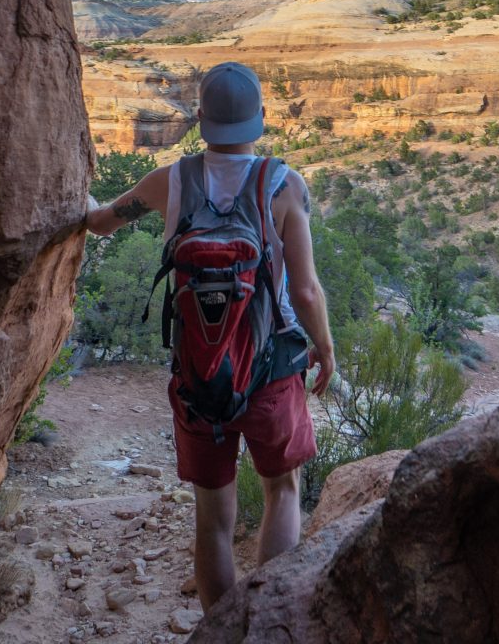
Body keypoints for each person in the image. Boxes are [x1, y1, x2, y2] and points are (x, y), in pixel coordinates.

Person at [84, 61, 335, 611]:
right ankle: (268, 621)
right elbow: (307, 291)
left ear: (199, 118)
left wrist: (80, 206)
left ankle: (220, 629)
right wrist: (325, 346)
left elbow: (102, 221)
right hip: (272, 372)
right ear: (260, 119)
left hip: (199, 378)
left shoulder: (170, 180)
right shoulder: (284, 184)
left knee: (213, 521)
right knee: (283, 491)